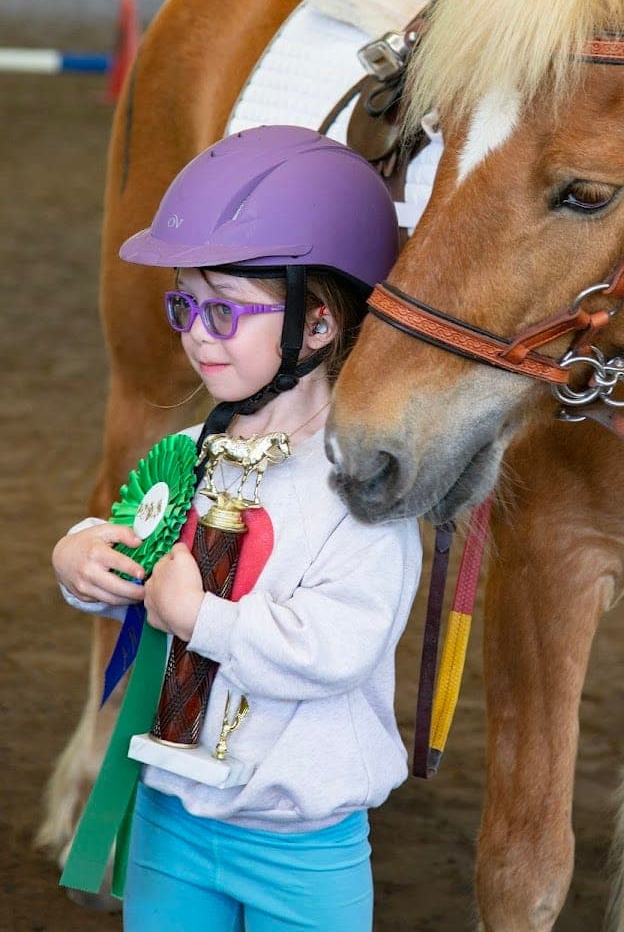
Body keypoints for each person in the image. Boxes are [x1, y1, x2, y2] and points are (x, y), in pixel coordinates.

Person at [52, 124, 422, 932]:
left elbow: (335, 649)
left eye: (224, 310)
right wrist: (82, 557)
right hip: (168, 820)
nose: (194, 331)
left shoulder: (361, 495)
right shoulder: (186, 454)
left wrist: (198, 618)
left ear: (316, 327)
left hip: (301, 848)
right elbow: (138, 546)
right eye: (185, 304)